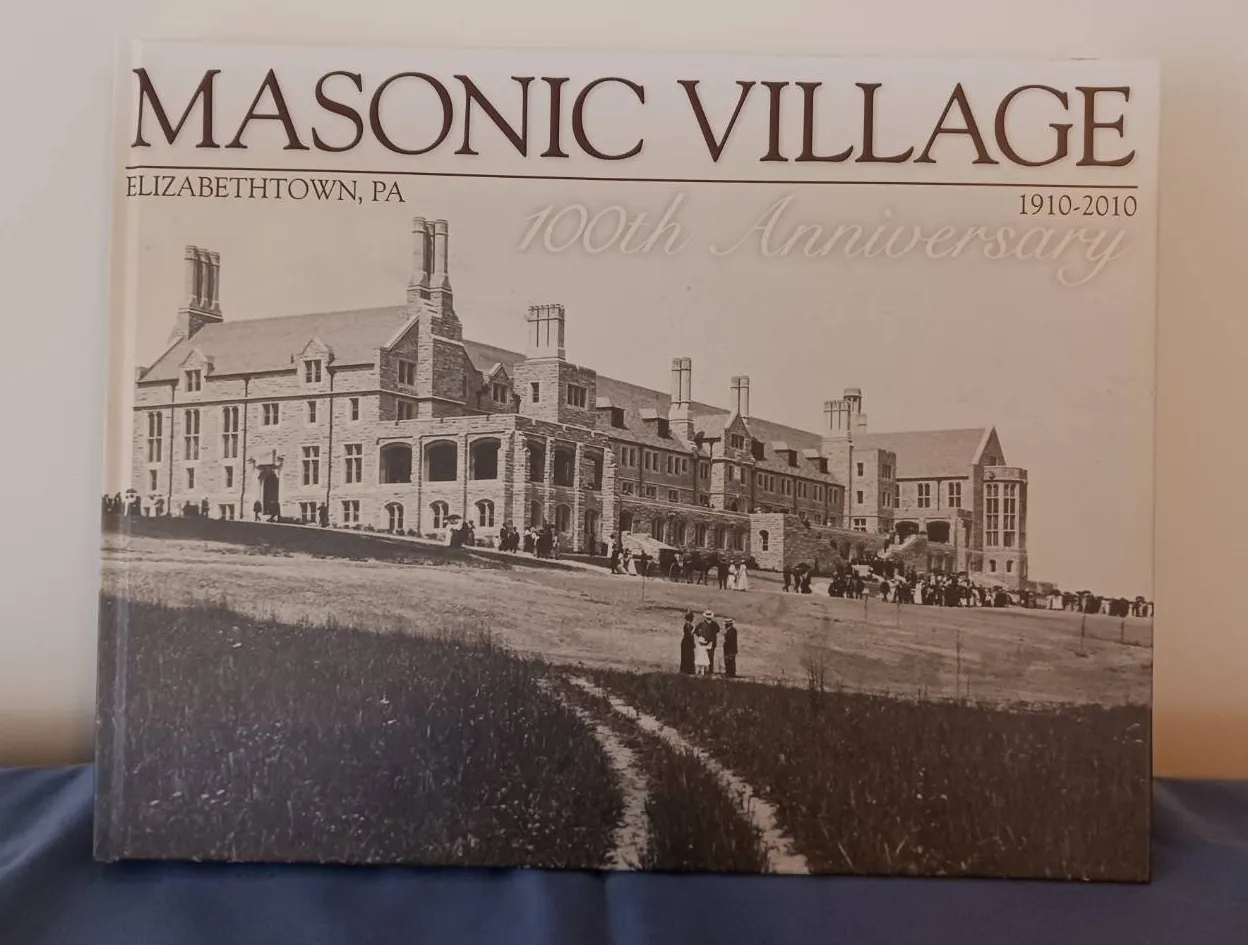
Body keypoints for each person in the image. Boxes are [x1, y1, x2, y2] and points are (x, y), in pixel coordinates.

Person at [696, 610, 720, 675]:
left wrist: (700, 635)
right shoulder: (703, 624)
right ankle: (705, 670)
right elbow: (696, 630)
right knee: (704, 656)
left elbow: (718, 630)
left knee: (710, 656)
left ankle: (709, 671)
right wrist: (700, 636)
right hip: (704, 643)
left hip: (711, 643)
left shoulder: (713, 624)